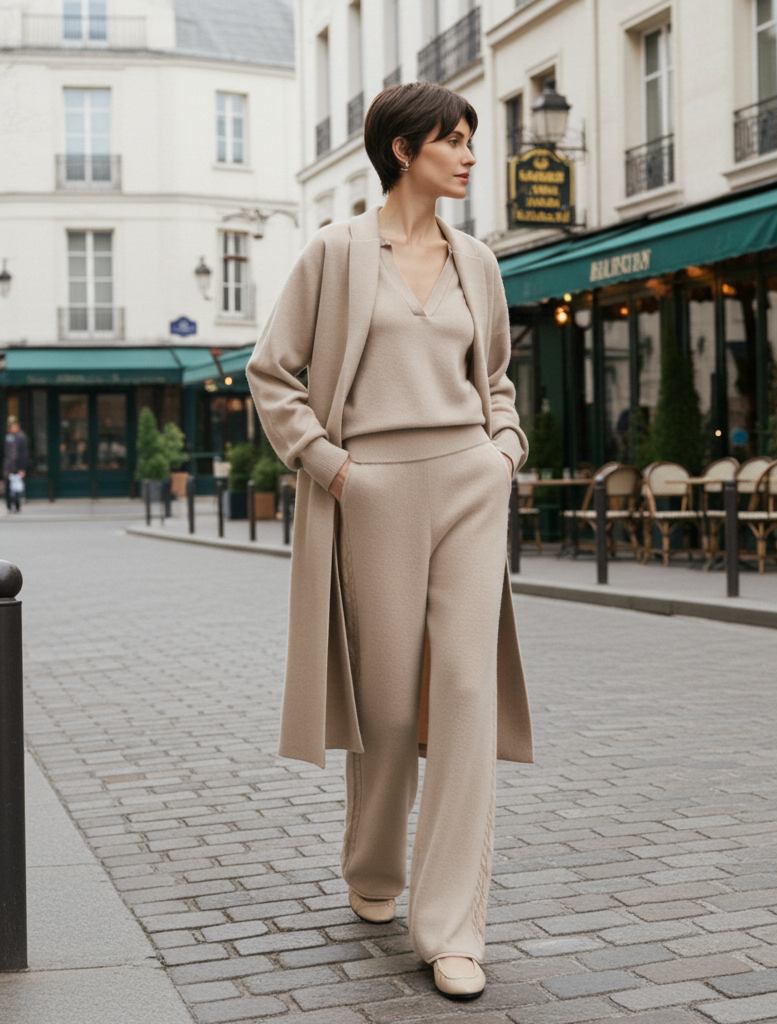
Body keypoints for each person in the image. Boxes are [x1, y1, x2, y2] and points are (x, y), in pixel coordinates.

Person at [247, 82, 532, 1002]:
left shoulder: (476, 262)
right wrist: (330, 466)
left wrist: (504, 451)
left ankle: (452, 927)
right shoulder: (334, 255)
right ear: (403, 150)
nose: (470, 156)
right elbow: (272, 372)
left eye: (470, 141)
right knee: (387, 704)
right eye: (453, 141)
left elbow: (494, 378)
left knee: (461, 693)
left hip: (468, 487)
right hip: (369, 492)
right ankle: (373, 864)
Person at [4, 416, 28, 513]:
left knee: (17, 488)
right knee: (8, 488)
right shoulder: (7, 438)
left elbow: (24, 455)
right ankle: (9, 506)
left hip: (17, 467)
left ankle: (17, 506)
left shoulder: (21, 438)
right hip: (8, 467)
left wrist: (22, 469)